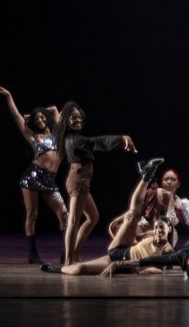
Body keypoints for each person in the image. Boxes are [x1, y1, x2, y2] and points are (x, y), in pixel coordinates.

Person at [46, 157, 173, 275]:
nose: (158, 231)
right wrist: (126, 225)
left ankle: (59, 269)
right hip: (120, 249)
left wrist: (143, 269)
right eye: (157, 228)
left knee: (80, 269)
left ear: (169, 229)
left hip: (121, 264)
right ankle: (146, 175)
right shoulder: (152, 234)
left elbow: (157, 269)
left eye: (161, 228)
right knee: (133, 213)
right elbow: (139, 236)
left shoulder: (167, 249)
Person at [0, 83, 68, 264]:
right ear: (34, 122)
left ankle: (66, 252)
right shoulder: (32, 136)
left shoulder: (57, 134)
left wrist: (39, 112)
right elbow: (17, 117)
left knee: (64, 214)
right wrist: (9, 96)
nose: (41, 119)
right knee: (32, 214)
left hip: (50, 180)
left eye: (42, 117)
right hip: (33, 176)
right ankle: (32, 254)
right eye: (37, 118)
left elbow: (55, 109)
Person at [57, 101, 138, 265]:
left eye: (79, 118)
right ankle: (68, 260)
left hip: (80, 180)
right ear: (66, 120)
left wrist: (55, 114)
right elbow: (97, 142)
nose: (78, 121)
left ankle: (74, 254)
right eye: (74, 118)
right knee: (73, 220)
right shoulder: (74, 140)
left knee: (93, 217)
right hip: (79, 180)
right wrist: (122, 138)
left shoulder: (71, 137)